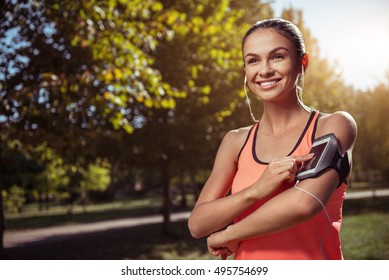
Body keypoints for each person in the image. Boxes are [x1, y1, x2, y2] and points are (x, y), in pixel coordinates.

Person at [187, 18, 357, 260]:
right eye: (253, 60)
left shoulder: (333, 125)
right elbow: (198, 224)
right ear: (245, 70)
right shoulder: (235, 141)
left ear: (302, 62)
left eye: (277, 56)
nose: (264, 70)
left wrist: (229, 234)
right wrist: (257, 189)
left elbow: (304, 203)